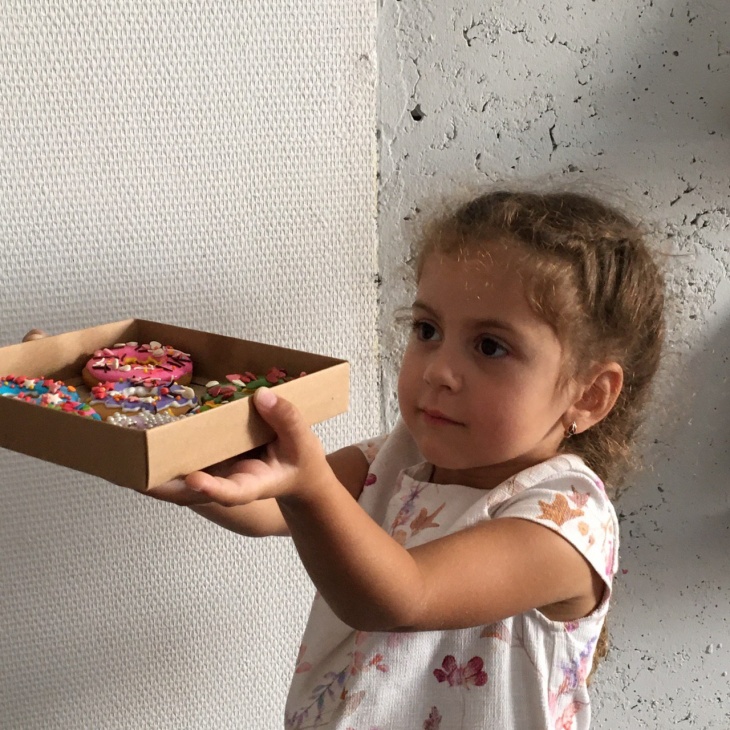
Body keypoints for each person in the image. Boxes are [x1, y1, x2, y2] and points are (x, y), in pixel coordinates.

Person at [71, 188, 670, 728]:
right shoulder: (400, 456)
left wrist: (307, 485)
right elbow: (266, 502)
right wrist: (143, 443)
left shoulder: (566, 522)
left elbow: (399, 599)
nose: (438, 371)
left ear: (589, 396)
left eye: (491, 347)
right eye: (427, 330)